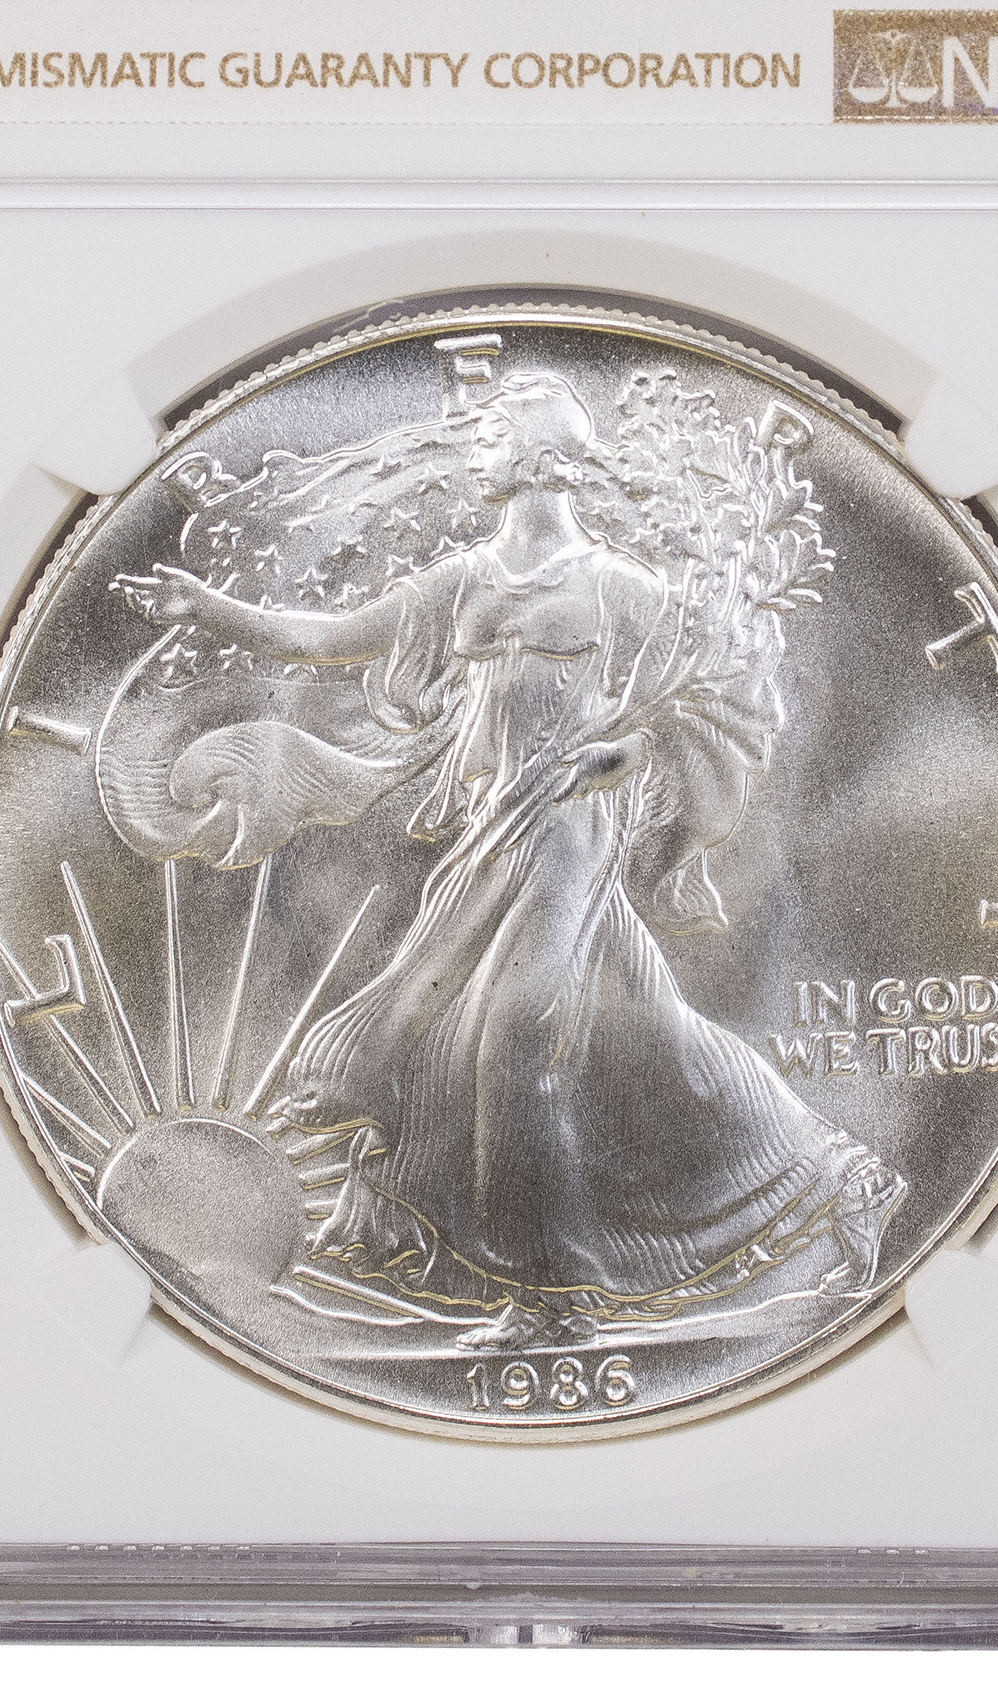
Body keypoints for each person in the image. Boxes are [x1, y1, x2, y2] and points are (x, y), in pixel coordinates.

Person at [123, 371, 899, 1347]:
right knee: (645, 1036)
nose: (476, 447)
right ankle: (837, 1178)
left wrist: (630, 751)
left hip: (570, 831)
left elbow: (724, 686)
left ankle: (552, 1296)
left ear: (539, 456)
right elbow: (330, 640)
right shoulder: (462, 581)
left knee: (512, 1044)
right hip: (492, 836)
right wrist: (209, 609)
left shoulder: (614, 586)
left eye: (493, 434)